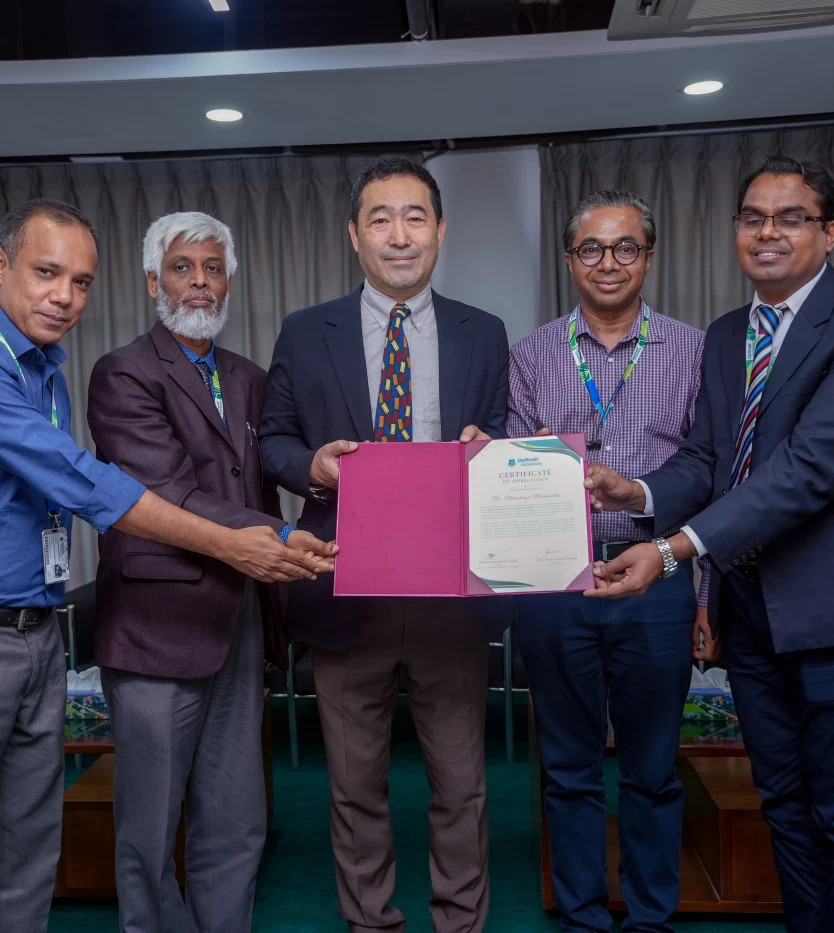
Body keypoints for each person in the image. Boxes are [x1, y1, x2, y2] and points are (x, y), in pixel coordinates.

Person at [0, 199, 333, 933]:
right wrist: (246, 541)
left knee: (25, 863)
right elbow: (83, 482)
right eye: (46, 272)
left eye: (81, 282)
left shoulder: (45, 371)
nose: (64, 296)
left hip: (36, 632)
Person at [584, 157, 834, 933]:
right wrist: (637, 494)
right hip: (751, 612)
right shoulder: (728, 334)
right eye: (752, 217)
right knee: (784, 802)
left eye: (791, 217)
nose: (767, 232)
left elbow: (810, 468)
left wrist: (674, 550)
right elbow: (709, 457)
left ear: (829, 231)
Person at [258, 156, 509, 933]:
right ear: (354, 234)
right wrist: (313, 466)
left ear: (440, 230)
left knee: (461, 785)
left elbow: (504, 437)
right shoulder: (306, 331)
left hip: (451, 595)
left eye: (414, 217)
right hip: (345, 589)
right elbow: (272, 439)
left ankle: (460, 920)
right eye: (380, 218)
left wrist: (491, 448)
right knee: (355, 786)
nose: (399, 234)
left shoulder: (483, 331)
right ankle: (370, 921)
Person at [86, 211, 315, 933]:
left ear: (229, 282)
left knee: (237, 817)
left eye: (213, 268)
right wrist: (282, 534)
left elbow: (266, 480)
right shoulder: (123, 372)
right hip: (156, 627)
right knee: (150, 829)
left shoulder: (250, 377)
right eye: (183, 267)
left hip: (240, 620)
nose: (200, 282)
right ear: (153, 282)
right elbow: (166, 490)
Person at [507, 190, 709, 933]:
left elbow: (711, 470)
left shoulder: (693, 350)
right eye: (591, 248)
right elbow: (510, 466)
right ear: (570, 260)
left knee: (653, 767)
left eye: (626, 246)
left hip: (659, 571)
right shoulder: (530, 354)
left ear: (648, 256)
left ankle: (651, 919)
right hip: (555, 581)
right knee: (568, 768)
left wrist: (704, 593)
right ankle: (583, 917)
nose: (609, 262)